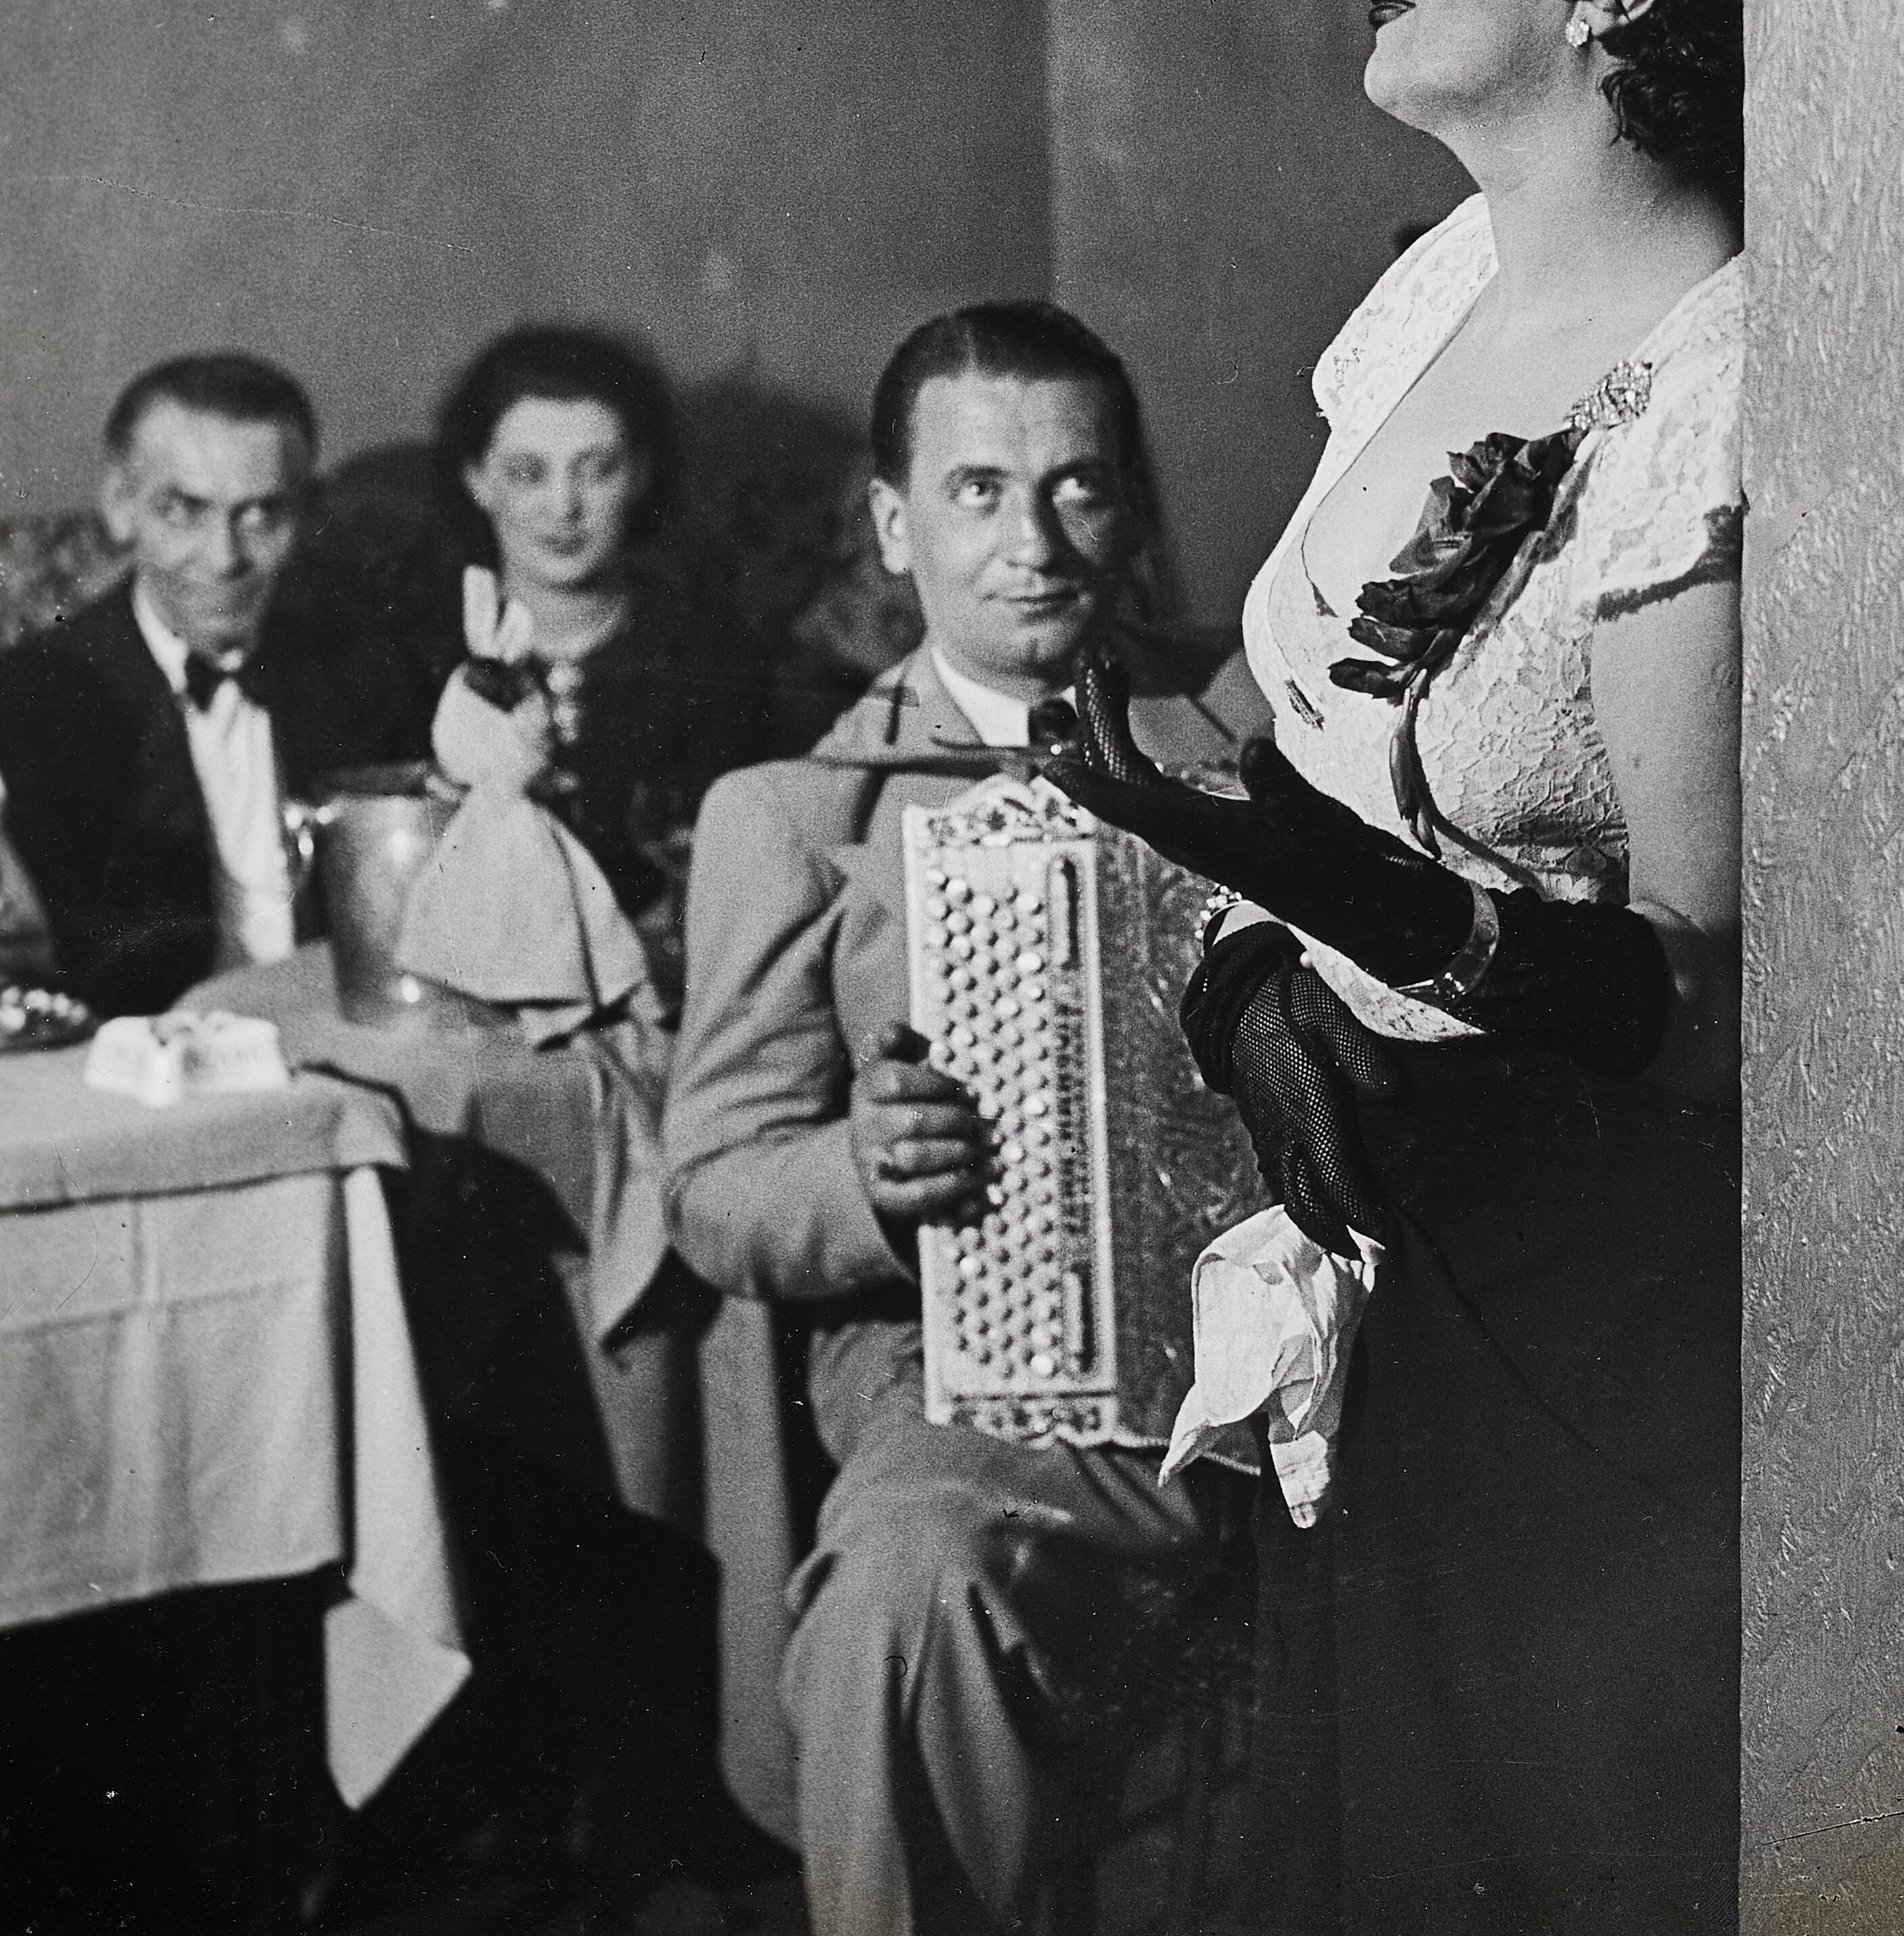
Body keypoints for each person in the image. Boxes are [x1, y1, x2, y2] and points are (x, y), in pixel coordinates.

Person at [1047, 0, 1746, 1934]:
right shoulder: (1440, 279)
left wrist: (1314, 888)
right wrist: (1252, 966)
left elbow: (1713, 1017)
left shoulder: (1726, 386)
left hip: (1603, 1292)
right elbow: (1279, 719)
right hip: (1386, 1214)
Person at [663, 301, 1267, 1936]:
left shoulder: (1255, 749)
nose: (1035, 540)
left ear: (1127, 509)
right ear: (892, 519)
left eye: (1077, 488)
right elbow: (713, 1185)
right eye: (979, 490)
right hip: (964, 1383)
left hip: (1272, 1356)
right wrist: (863, 1170)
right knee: (905, 1587)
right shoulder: (798, 814)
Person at [0, 355, 430, 1014]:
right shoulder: (35, 698)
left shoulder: (368, 669)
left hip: (340, 1041)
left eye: (260, 514)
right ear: (121, 505)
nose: (224, 557)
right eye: (183, 510)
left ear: (305, 513)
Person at [430, 325, 774, 933]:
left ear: (640, 473)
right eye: (528, 474)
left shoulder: (712, 659)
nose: (564, 507)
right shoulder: (421, 653)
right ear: (477, 479)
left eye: (597, 470)